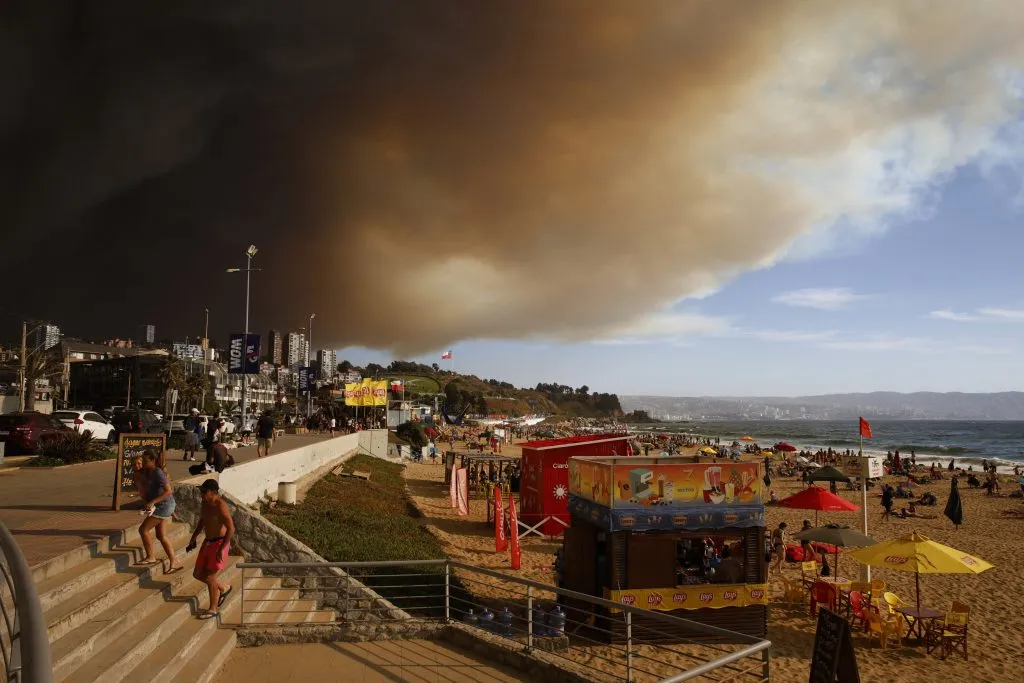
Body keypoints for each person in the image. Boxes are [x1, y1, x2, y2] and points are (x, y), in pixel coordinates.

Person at [186, 479, 235, 620]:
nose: (201, 494)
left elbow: (231, 528)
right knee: (197, 574)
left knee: (210, 577)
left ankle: (213, 609)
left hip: (219, 543)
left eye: (204, 491)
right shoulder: (204, 503)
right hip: (208, 542)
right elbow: (203, 521)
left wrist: (222, 548)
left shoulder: (220, 505)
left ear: (213, 492)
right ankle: (223, 587)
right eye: (201, 491)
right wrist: (193, 537)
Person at [138, 450, 181, 573]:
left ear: (153, 460)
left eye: (145, 461)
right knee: (161, 535)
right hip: (162, 505)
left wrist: (152, 502)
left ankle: (151, 556)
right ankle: (174, 561)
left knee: (143, 529)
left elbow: (169, 491)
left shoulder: (157, 472)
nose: (143, 464)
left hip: (164, 505)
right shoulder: (148, 472)